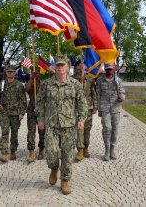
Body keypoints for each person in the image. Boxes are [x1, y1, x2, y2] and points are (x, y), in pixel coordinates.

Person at [36, 54, 87, 195]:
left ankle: (65, 180)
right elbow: (39, 102)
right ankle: (54, 168)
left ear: (67, 67)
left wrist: (81, 119)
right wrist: (40, 119)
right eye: (57, 65)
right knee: (51, 153)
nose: (60, 67)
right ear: (55, 67)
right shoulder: (46, 84)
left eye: (62, 65)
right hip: (51, 124)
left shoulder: (75, 84)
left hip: (69, 126)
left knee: (67, 155)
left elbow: (82, 103)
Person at [0, 65, 27, 163]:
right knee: (4, 132)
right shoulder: (2, 84)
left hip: (15, 113)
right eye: (8, 72)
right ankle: (4, 153)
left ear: (15, 73)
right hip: (4, 113)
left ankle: (13, 150)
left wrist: (22, 113)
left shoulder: (19, 85)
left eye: (12, 72)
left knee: (14, 133)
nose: (10, 73)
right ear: (6, 72)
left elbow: (23, 100)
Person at [96, 63, 125, 161]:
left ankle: (112, 150)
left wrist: (121, 97)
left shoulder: (118, 81)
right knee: (107, 128)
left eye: (111, 69)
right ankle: (107, 151)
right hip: (104, 108)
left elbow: (122, 92)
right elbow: (98, 95)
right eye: (107, 69)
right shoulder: (100, 81)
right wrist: (99, 109)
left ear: (114, 70)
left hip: (115, 108)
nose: (109, 71)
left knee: (115, 129)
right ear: (105, 70)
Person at [72, 60, 97, 162]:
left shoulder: (90, 79)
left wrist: (95, 106)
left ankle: (86, 147)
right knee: (79, 130)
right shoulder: (72, 79)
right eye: (80, 65)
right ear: (77, 66)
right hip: (77, 109)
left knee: (87, 130)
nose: (82, 66)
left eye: (83, 64)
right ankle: (80, 150)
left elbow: (93, 93)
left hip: (88, 109)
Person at [25, 71, 45, 163]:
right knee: (31, 131)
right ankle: (31, 151)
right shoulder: (30, 83)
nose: (36, 74)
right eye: (34, 73)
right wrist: (31, 79)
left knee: (42, 132)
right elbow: (27, 89)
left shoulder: (43, 85)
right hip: (31, 111)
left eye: (37, 73)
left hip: (41, 112)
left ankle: (41, 149)